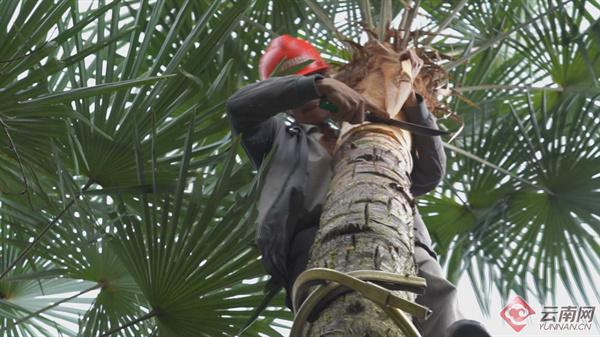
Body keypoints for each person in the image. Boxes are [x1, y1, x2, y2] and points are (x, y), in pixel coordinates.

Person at [226, 34, 490, 337]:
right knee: (328, 313)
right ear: (287, 103)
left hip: (394, 226)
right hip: (313, 244)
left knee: (435, 289)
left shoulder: (367, 126)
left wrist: (412, 99)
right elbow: (239, 108)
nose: (310, 100)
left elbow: (429, 174)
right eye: (301, 89)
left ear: (331, 76)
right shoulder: (276, 139)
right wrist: (314, 87)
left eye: (316, 77)